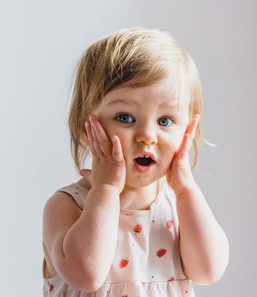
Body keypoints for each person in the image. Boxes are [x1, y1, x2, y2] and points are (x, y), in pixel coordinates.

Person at [42, 26, 229, 297]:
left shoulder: (178, 206)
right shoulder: (69, 205)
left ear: (188, 131)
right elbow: (86, 274)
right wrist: (105, 189)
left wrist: (187, 190)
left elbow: (209, 271)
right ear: (87, 127)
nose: (147, 136)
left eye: (165, 121)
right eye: (125, 118)